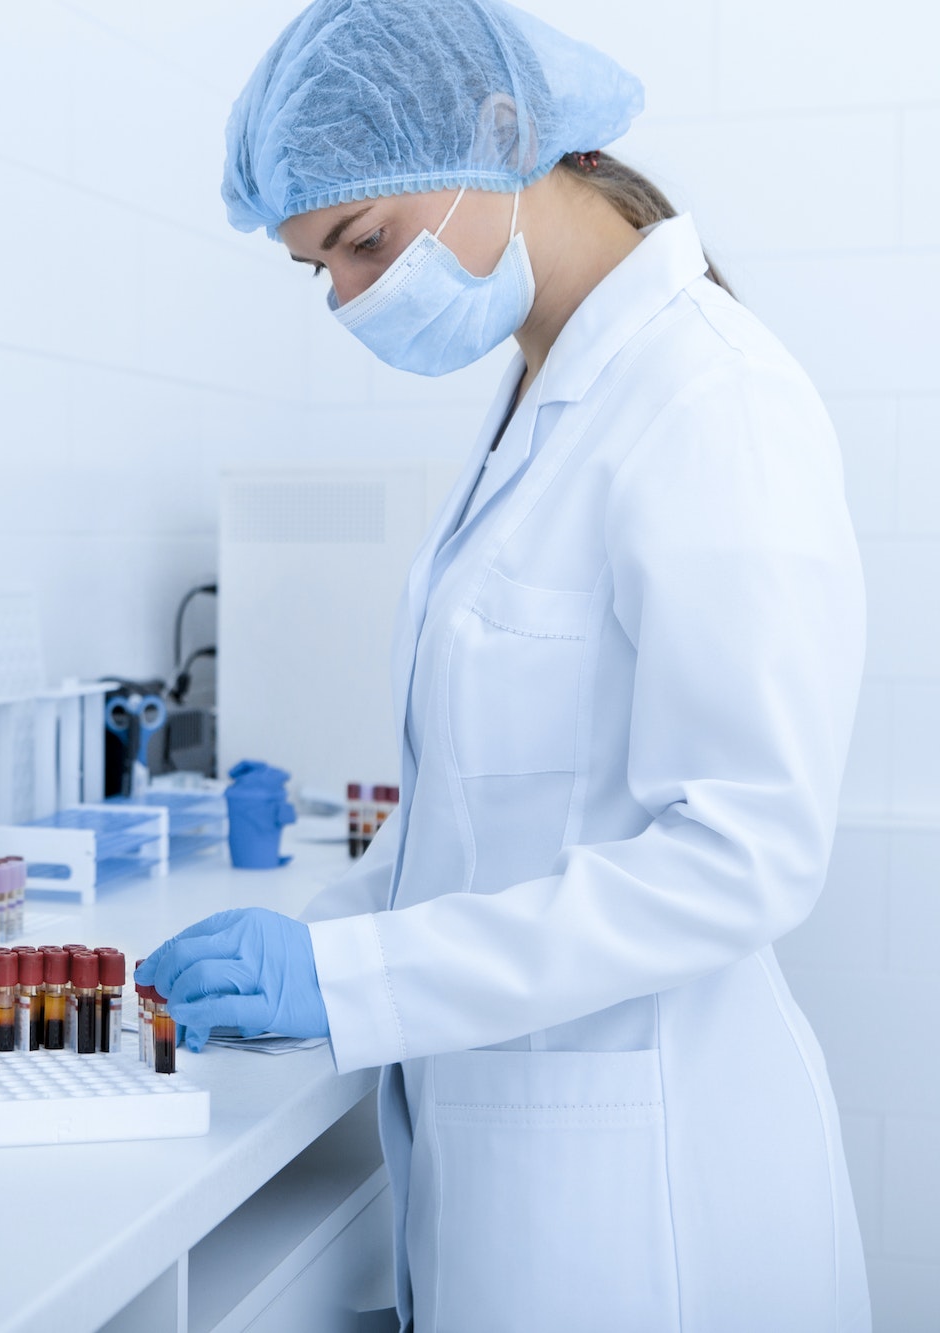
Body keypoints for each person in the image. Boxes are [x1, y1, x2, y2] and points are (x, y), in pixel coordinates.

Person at [134, 2, 871, 1329]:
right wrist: (322, 937)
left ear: (502, 133)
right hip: (514, 1181)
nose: (352, 297)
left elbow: (744, 853)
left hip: (653, 1214)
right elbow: (488, 817)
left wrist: (350, 982)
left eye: (362, 242)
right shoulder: (540, 391)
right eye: (320, 271)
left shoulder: (711, 397)